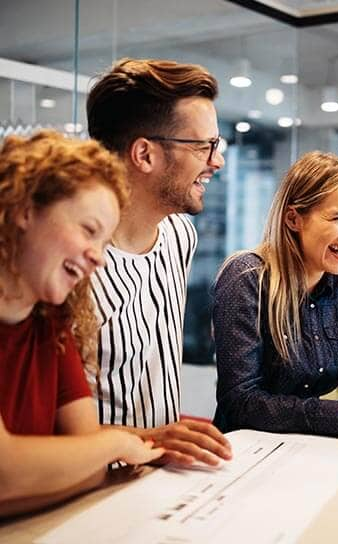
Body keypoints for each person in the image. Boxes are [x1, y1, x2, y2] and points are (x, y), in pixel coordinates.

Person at [0, 131, 164, 517]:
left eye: (104, 242)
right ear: (24, 209)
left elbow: (86, 466)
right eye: (88, 230)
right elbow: (6, 470)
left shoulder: (51, 322)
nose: (98, 258)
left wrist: (84, 460)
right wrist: (116, 445)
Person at [213, 151, 338, 456]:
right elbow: (241, 401)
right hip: (247, 454)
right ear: (294, 219)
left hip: (320, 447)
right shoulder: (246, 278)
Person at [87, 58, 231, 466]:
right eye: (204, 146)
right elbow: (43, 425)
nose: (216, 161)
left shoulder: (179, 234)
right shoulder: (74, 264)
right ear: (145, 154)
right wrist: (147, 440)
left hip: (160, 476)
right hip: (91, 485)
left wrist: (164, 443)